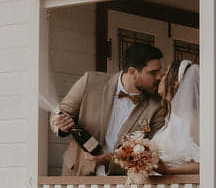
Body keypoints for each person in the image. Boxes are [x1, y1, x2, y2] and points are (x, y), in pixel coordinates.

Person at [51, 43, 167, 176]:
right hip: (77, 175)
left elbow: (150, 154)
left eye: (159, 71)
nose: (159, 77)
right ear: (132, 72)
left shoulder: (157, 106)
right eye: (153, 72)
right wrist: (60, 124)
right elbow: (61, 112)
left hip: (120, 183)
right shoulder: (91, 82)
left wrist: (111, 160)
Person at [153, 60, 200, 175]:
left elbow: (204, 164)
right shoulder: (170, 118)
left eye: (165, 74)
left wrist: (169, 171)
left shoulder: (190, 119)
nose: (160, 78)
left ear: (175, 82)